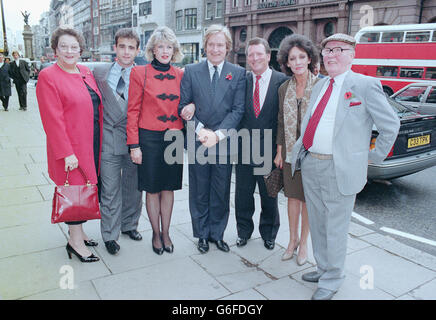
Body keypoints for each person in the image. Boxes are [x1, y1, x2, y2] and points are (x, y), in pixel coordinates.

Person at [290, 33, 400, 300]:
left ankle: (333, 279)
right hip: (312, 164)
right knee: (317, 224)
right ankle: (324, 267)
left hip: (339, 169)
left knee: (335, 227)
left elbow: (390, 124)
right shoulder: (321, 84)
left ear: (352, 55)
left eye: (339, 50)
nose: (331, 55)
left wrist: (373, 156)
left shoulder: (364, 85)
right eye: (327, 50)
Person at [36, 27, 104, 263]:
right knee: (74, 193)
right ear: (55, 49)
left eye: (74, 47)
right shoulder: (48, 76)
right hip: (71, 149)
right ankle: (74, 243)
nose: (69, 51)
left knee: (85, 189)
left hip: (91, 143)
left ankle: (80, 233)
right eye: (63, 46)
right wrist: (66, 153)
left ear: (80, 50)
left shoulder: (84, 71)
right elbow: (52, 120)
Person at [178, 24, 246, 254]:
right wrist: (200, 132)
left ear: (227, 47)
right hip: (198, 141)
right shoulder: (191, 71)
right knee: (199, 190)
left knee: (221, 189)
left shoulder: (237, 73)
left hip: (223, 142)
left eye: (220, 45)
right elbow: (183, 107)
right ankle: (202, 235)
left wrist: (217, 135)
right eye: (211, 44)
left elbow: (237, 110)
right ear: (205, 46)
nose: (216, 49)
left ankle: (217, 234)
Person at [127, 26, 186, 255]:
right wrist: (134, 145)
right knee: (152, 189)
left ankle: (167, 232)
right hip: (148, 138)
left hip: (173, 137)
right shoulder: (138, 73)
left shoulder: (181, 75)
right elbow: (132, 111)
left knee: (168, 188)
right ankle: (155, 232)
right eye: (160, 46)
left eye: (168, 47)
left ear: (174, 50)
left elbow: (186, 105)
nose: (164, 51)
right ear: (152, 49)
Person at [93, 28, 143, 255]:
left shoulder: (143, 74)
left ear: (137, 50)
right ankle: (110, 235)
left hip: (135, 141)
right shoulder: (99, 73)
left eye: (131, 47)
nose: (126, 52)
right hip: (109, 141)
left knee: (133, 187)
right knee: (110, 191)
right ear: (115, 48)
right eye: (122, 46)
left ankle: (130, 225)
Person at [234, 37, 287, 250]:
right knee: (243, 195)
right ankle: (243, 232)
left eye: (259, 54)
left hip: (271, 152)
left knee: (270, 196)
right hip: (244, 149)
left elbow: (285, 119)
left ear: (268, 55)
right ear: (247, 58)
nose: (255, 58)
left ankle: (269, 233)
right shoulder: (242, 81)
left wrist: (281, 151)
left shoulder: (282, 81)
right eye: (250, 55)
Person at [274, 34, 319, 266]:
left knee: (307, 200)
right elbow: (281, 121)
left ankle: (304, 244)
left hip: (313, 154)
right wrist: (280, 151)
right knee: (292, 198)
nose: (298, 62)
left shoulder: (321, 86)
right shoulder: (284, 88)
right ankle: (291, 241)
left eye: (302, 57)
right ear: (287, 62)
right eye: (293, 58)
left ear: (309, 59)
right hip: (291, 151)